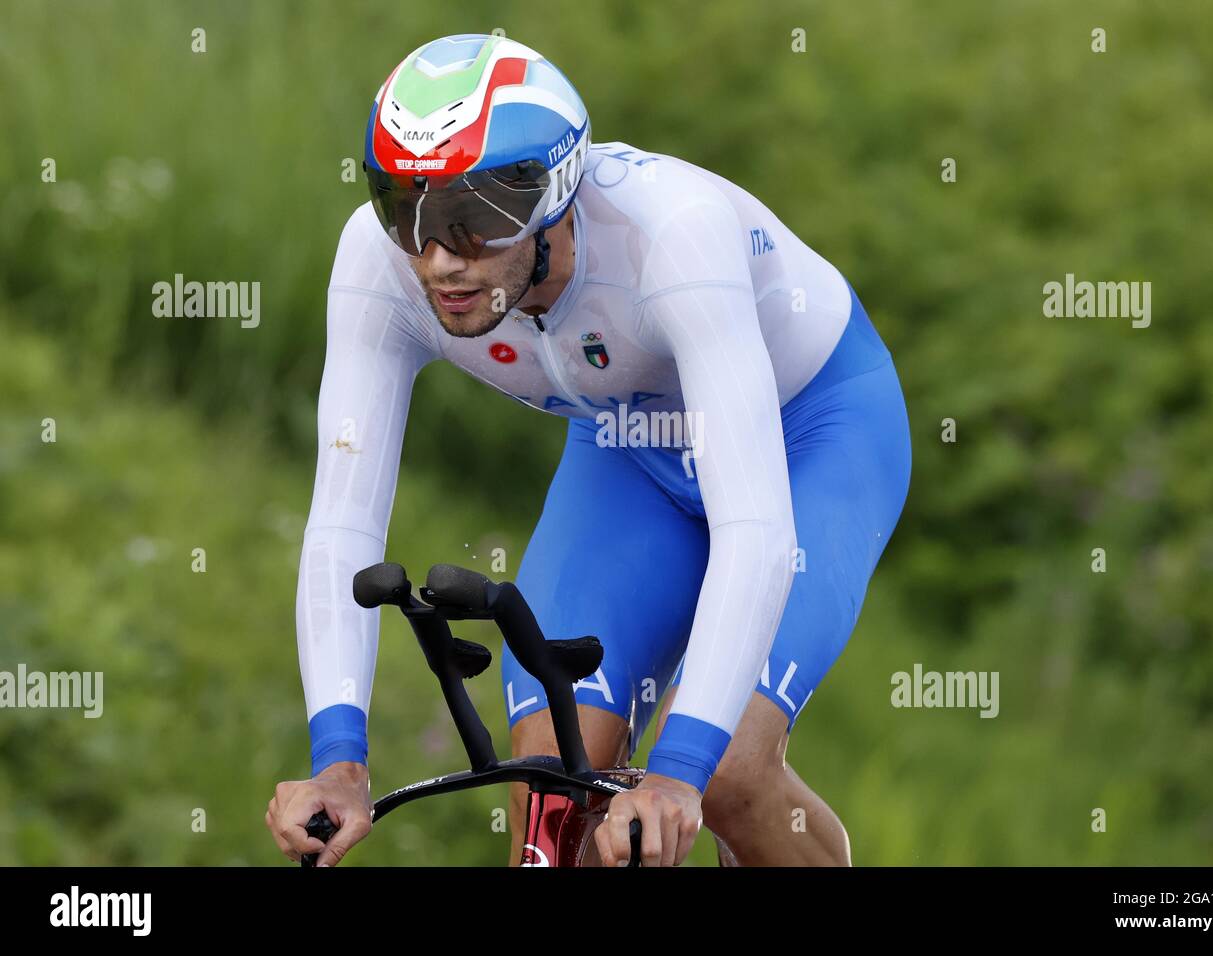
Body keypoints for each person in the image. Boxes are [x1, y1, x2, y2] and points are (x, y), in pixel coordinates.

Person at [265, 33, 911, 867]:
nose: (438, 259)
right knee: (553, 791)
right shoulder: (375, 264)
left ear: (554, 195)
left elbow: (756, 529)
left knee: (730, 775)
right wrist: (337, 762)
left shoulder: (672, 234)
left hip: (809, 439)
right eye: (408, 210)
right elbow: (342, 526)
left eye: (470, 220)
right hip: (628, 450)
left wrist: (678, 773)